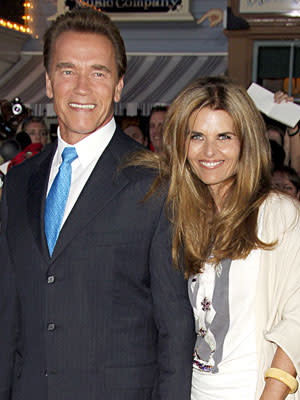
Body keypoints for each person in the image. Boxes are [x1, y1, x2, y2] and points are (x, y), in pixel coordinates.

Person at [0, 8, 195, 400]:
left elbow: (175, 331)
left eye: (99, 73)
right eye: (68, 70)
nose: (82, 87)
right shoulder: (19, 181)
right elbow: (9, 314)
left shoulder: (157, 182)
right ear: (49, 82)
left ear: (119, 86)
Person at [128, 76, 300, 399]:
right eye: (197, 136)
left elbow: (297, 318)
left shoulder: (279, 215)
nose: (209, 151)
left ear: (245, 142)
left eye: (224, 136)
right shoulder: (176, 217)